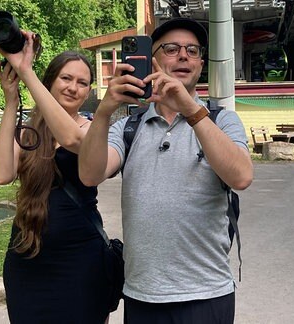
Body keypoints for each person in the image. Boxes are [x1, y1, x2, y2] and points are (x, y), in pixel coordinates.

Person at [78, 18, 254, 324]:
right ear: (152, 59)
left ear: (200, 64)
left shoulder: (222, 121)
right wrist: (105, 110)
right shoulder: (129, 126)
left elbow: (241, 177)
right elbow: (90, 175)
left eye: (193, 50)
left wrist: (191, 110)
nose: (184, 55)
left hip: (207, 294)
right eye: (172, 49)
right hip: (143, 294)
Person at [0, 31, 111, 323]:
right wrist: (10, 103)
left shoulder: (90, 130)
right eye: (66, 78)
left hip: (81, 262)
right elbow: (1, 173)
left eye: (82, 83)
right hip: (27, 258)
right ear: (51, 82)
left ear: (89, 91)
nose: (73, 88)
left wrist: (25, 70)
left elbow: (70, 139)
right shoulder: (30, 132)